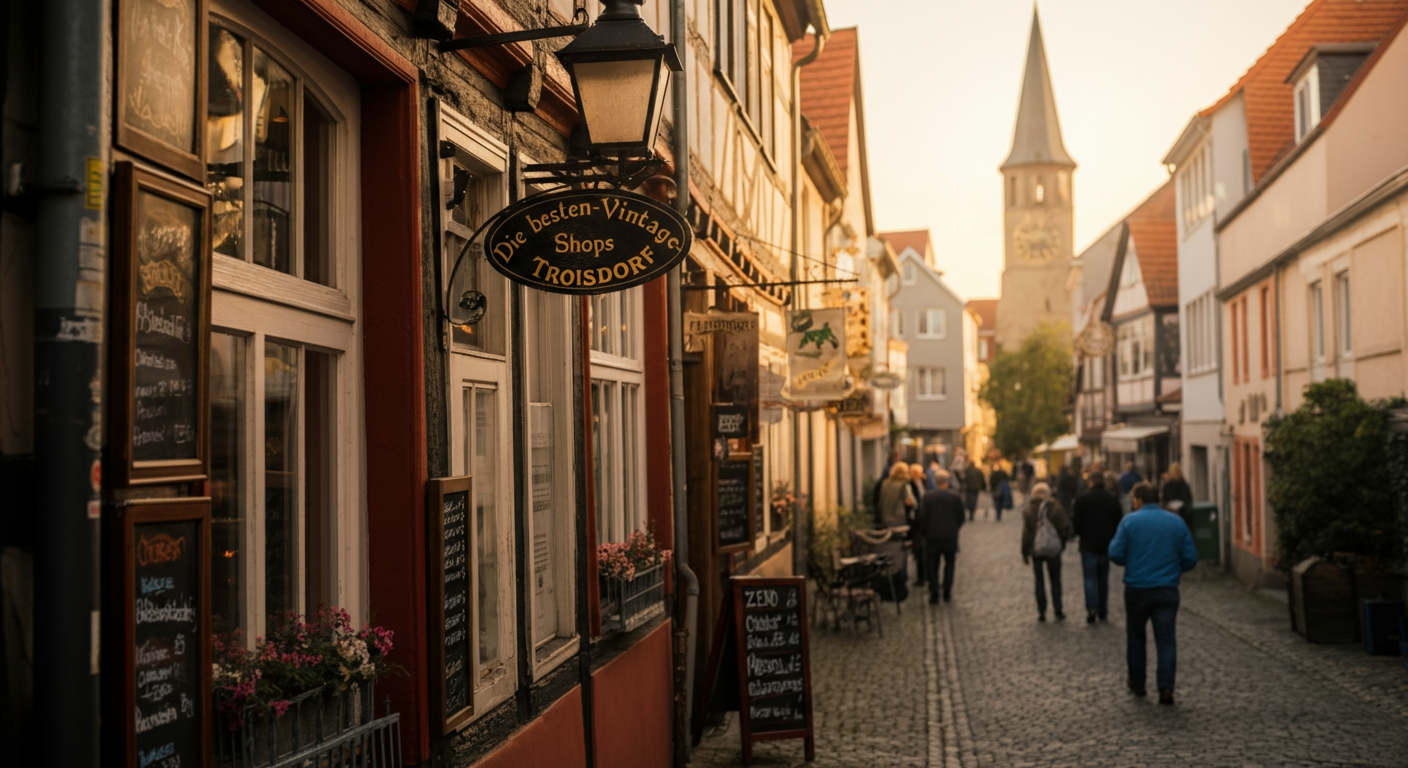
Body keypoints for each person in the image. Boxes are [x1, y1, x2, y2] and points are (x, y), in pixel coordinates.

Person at [1109, 482, 1199, 705]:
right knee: (1166, 639)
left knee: (1136, 637)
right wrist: (1174, 569)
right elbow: (1191, 558)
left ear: (1138, 500)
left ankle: (1138, 684)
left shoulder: (1129, 521)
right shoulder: (1176, 522)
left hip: (1137, 589)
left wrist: (1132, 561)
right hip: (1167, 589)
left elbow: (1115, 553)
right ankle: (1166, 687)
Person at [1071, 472, 1124, 623]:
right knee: (1103, 579)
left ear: (1091, 482)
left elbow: (1076, 521)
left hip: (1088, 544)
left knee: (1089, 578)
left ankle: (1092, 609)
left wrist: (1081, 534)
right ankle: (1103, 610)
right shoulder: (1112, 498)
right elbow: (1118, 520)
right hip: (1106, 544)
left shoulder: (1082, 498)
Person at [1021, 482, 1073, 621]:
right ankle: (1058, 609)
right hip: (1053, 549)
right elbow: (1065, 527)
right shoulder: (1055, 508)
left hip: (1036, 549)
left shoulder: (1029, 510)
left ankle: (1042, 611)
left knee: (1039, 580)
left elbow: (1026, 533)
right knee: (1055, 579)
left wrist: (1025, 552)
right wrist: (1061, 544)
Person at [915, 468, 966, 604]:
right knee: (950, 565)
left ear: (936, 482)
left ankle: (934, 593)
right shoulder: (955, 497)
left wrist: (926, 532)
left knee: (932, 565)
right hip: (950, 536)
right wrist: (954, 528)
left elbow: (922, 517)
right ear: (947, 482)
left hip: (932, 537)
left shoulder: (927, 497)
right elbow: (961, 517)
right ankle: (947, 592)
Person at [909, 464, 931, 585]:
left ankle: (925, 575)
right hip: (916, 521)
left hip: (923, 520)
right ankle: (921, 576)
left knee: (924, 550)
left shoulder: (922, 482)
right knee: (919, 550)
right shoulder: (910, 484)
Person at [1160, 463, 1195, 531]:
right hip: (1184, 517)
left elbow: (1164, 500)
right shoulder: (1184, 485)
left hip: (1170, 516)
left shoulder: (1168, 485)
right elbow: (1188, 500)